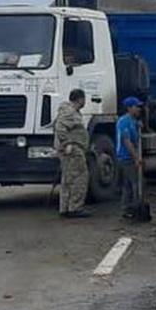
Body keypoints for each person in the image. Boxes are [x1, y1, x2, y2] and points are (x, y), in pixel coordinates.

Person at [51, 88, 91, 218]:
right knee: (80, 177)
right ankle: (75, 207)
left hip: (71, 150)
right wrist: (67, 143)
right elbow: (60, 127)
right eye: (84, 99)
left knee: (67, 178)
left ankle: (65, 208)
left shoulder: (68, 111)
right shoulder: (70, 112)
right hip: (73, 150)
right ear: (80, 99)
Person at [116, 96, 147, 220]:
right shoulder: (124, 121)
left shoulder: (133, 121)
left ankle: (127, 209)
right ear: (129, 108)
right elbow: (126, 141)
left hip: (129, 157)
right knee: (136, 183)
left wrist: (139, 125)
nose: (139, 109)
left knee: (128, 184)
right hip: (125, 157)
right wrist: (136, 157)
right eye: (136, 106)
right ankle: (135, 208)